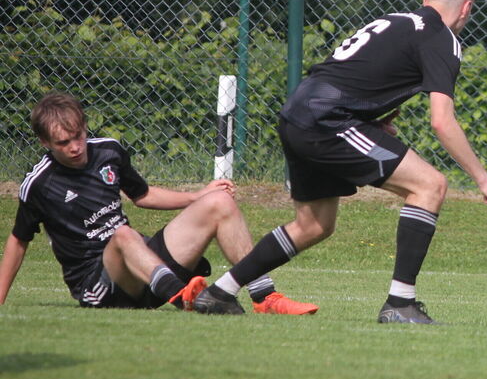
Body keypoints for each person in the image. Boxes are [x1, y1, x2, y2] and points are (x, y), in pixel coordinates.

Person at [193, 0, 487, 322]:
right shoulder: (442, 38)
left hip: (298, 112)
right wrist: (483, 179)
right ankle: (400, 304)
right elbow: (442, 121)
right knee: (429, 185)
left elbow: (352, 74)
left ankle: (219, 292)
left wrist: (368, 120)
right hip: (328, 121)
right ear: (467, 7)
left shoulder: (394, 21)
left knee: (313, 226)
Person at [0, 92, 316, 314]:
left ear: (84, 126)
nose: (75, 147)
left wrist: (198, 196)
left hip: (147, 272)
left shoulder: (108, 151)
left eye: (79, 136)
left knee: (220, 202)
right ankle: (183, 297)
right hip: (100, 286)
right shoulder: (39, 184)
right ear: (45, 142)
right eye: (63, 142)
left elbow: (143, 195)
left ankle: (265, 297)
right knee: (123, 234)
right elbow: (18, 240)